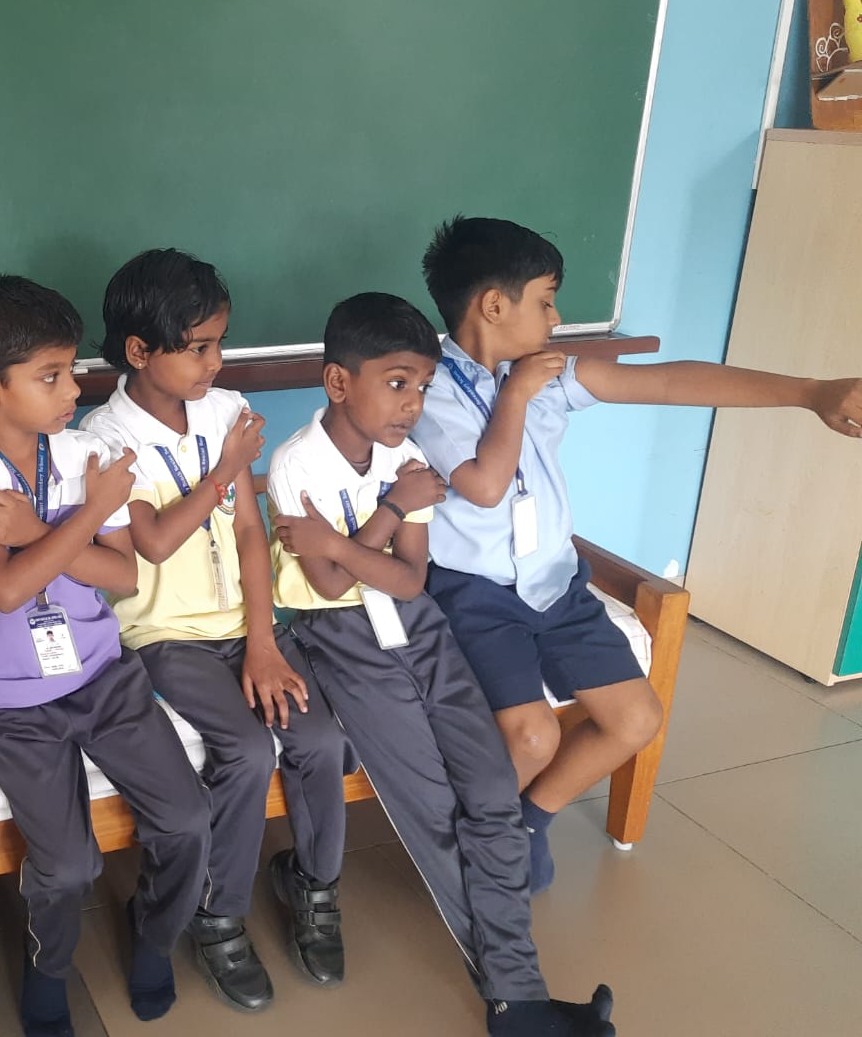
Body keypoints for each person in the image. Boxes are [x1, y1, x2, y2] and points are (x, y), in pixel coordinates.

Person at [415, 216, 862, 894]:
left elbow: (671, 382)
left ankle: (527, 821)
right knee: (532, 737)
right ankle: (474, 838)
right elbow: (484, 487)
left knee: (637, 719)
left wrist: (810, 394)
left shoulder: (546, 372)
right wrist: (518, 394)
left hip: (554, 583)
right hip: (477, 593)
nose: (557, 318)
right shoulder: (429, 390)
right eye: (546, 301)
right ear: (495, 305)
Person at [270, 292, 616, 1036]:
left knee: (491, 793)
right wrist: (390, 513)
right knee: (436, 813)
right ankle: (516, 1000)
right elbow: (326, 586)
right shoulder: (296, 463)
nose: (413, 404)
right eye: (398, 383)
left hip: (420, 627)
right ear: (338, 382)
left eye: (423, 386)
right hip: (341, 638)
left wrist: (346, 539)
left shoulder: (409, 461)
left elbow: (409, 580)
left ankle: (518, 998)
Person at [0, 274, 211, 1037]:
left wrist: (34, 531)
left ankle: (154, 934)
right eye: (49, 376)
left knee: (187, 820)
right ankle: (48, 968)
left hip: (102, 674)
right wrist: (88, 513)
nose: (73, 389)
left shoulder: (88, 450)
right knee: (69, 865)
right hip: (8, 699)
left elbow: (122, 575)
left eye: (71, 369)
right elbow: (8, 590)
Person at [82, 249, 352, 1012]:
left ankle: (314, 885)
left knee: (319, 739)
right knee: (245, 748)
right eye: (197, 347)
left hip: (245, 624)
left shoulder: (226, 408)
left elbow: (249, 535)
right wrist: (223, 468)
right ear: (139, 350)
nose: (215, 362)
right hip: (165, 635)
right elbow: (152, 542)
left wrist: (263, 640)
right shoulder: (103, 438)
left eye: (218, 343)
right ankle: (217, 913)